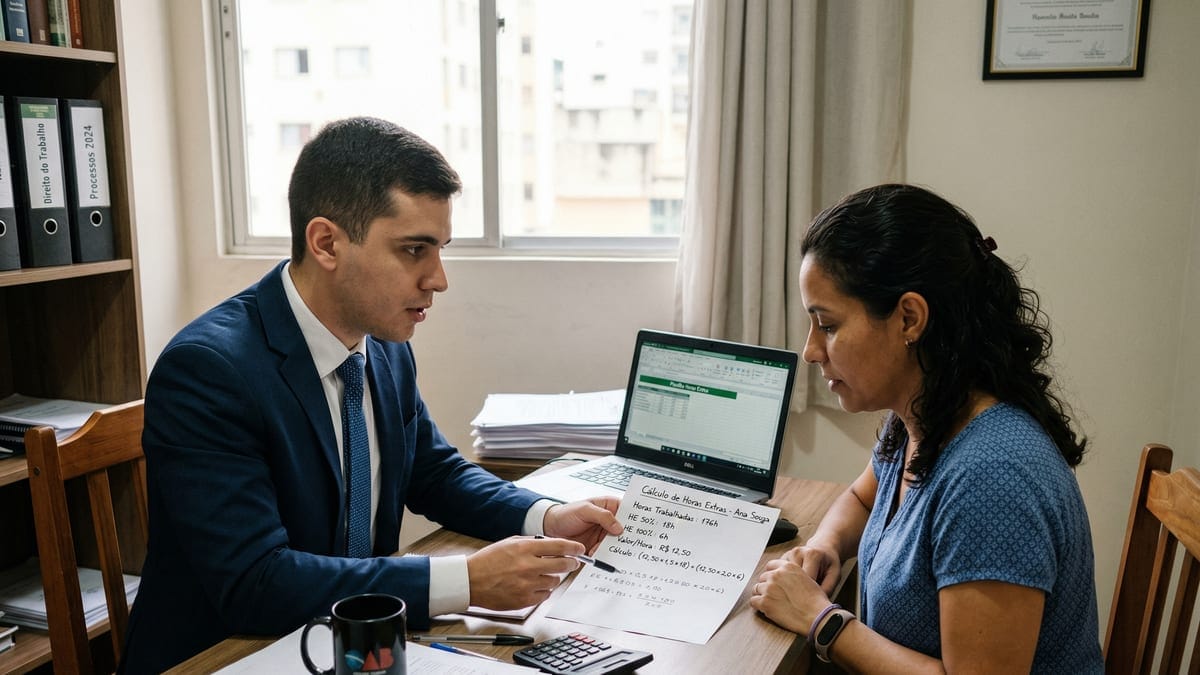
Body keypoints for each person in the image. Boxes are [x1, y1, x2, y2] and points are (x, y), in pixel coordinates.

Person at [120, 117, 623, 673]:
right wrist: (468, 580)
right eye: (414, 250)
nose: (438, 278)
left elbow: (433, 472)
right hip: (228, 654)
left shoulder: (381, 344)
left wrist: (546, 517)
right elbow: (254, 582)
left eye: (439, 249)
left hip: (355, 646)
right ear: (327, 243)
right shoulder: (209, 371)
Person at [749, 184, 1103, 672]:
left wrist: (821, 621)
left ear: (909, 318)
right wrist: (824, 546)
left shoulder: (992, 478)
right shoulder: (925, 415)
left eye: (827, 325)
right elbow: (860, 498)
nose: (811, 350)